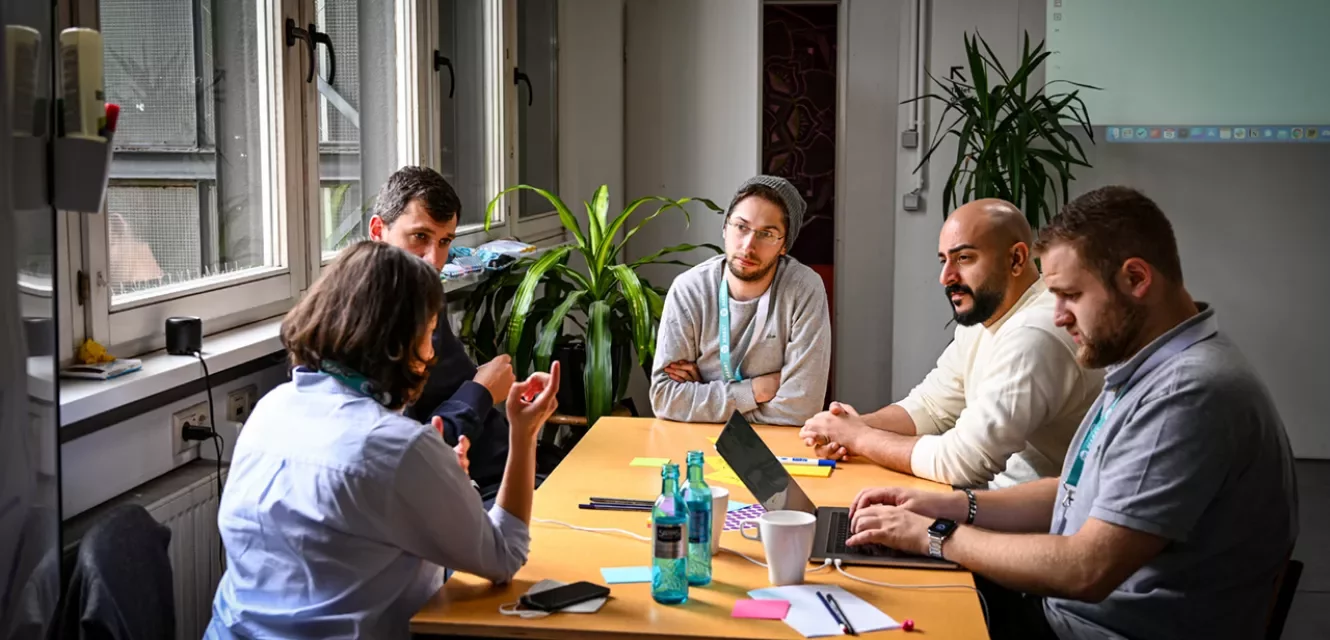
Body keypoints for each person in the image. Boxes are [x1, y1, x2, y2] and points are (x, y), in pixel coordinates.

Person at [842, 186, 1298, 640]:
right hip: (1068, 614)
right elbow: (1078, 491)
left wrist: (935, 534)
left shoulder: (1188, 392)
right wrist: (955, 505)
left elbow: (1087, 569)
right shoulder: (1151, 364)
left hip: (1085, 627)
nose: (1057, 316)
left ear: (1137, 279)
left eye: (1071, 295)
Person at [207, 241, 560, 639]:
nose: (431, 353)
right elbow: (504, 555)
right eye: (429, 335)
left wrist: (438, 477)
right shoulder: (399, 447)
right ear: (399, 344)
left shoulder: (271, 410)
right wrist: (524, 432)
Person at [799, 199, 1102, 488]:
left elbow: (964, 461)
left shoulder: (1034, 332)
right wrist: (851, 428)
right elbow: (932, 406)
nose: (946, 277)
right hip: (995, 505)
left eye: (964, 258)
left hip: (1038, 525)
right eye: (944, 260)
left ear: (1016, 259)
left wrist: (859, 438)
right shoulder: (986, 314)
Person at [367, 166, 517, 500]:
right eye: (419, 237)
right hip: (463, 489)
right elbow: (410, 451)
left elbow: (449, 387)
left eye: (445, 241)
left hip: (495, 469)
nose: (434, 259)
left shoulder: (424, 296)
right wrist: (482, 391)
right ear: (379, 230)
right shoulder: (362, 321)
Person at [650, 175, 831, 426]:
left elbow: (802, 408)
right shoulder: (690, 289)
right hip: (695, 442)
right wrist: (758, 390)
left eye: (767, 234)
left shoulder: (803, 289)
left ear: (784, 246)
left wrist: (702, 398)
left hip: (778, 445)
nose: (748, 245)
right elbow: (665, 398)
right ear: (725, 227)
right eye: (741, 227)